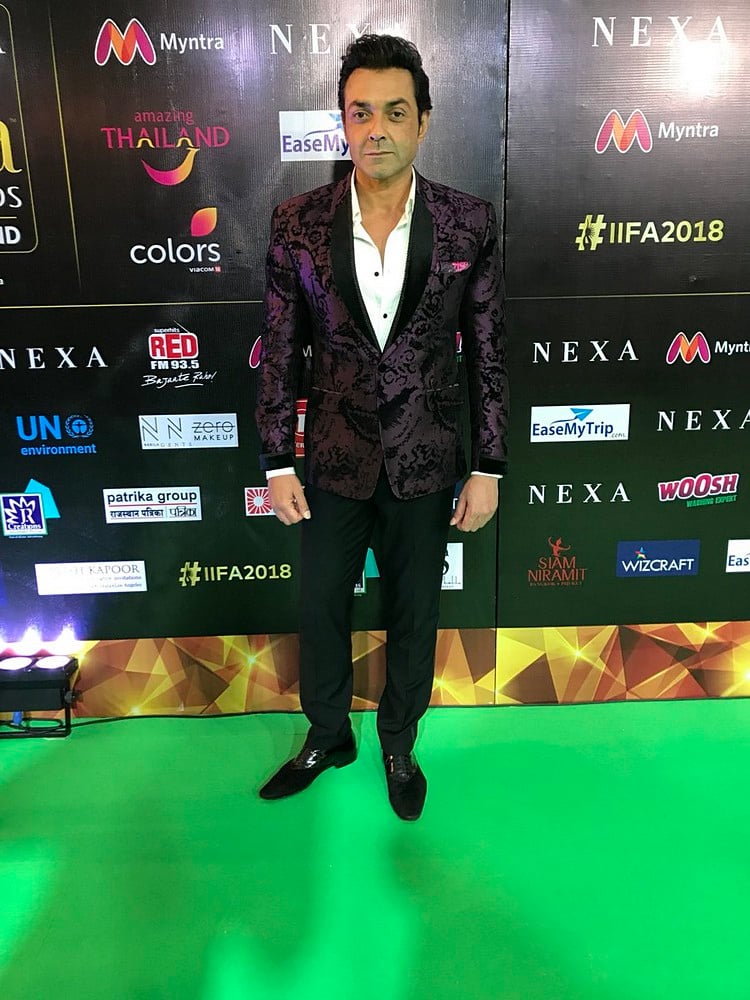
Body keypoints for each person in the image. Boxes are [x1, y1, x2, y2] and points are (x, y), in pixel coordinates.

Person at [255, 34, 507, 820]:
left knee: (414, 612)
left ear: (422, 122)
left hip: (426, 458)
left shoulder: (468, 222)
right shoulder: (297, 222)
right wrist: (276, 459)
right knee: (321, 606)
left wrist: (489, 466)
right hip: (332, 459)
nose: (376, 129)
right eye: (360, 113)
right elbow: (278, 349)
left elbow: (488, 352)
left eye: (395, 112)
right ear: (342, 122)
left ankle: (399, 740)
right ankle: (328, 735)